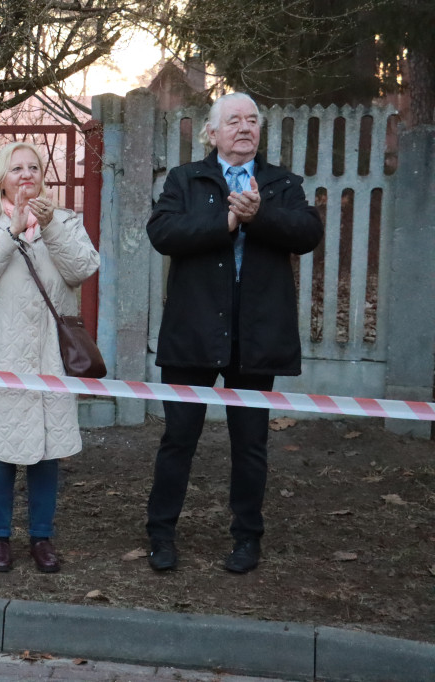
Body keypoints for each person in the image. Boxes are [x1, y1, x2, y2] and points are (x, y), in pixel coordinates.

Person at [144, 93, 323, 574]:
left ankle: (247, 538)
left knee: (250, 444)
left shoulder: (282, 183)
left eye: (252, 121)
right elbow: (162, 233)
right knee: (178, 439)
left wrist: (258, 215)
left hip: (255, 336)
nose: (245, 128)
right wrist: (224, 220)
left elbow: (307, 233)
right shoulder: (185, 179)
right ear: (212, 133)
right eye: (234, 121)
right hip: (194, 333)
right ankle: (161, 534)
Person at [0, 142, 100, 573]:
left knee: (47, 451)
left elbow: (83, 269)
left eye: (33, 167)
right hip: (1, 357)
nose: (25, 174)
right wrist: (11, 230)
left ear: (43, 176)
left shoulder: (66, 221)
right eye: (16, 168)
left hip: (50, 359)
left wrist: (50, 225)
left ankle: (42, 537)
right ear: (2, 176)